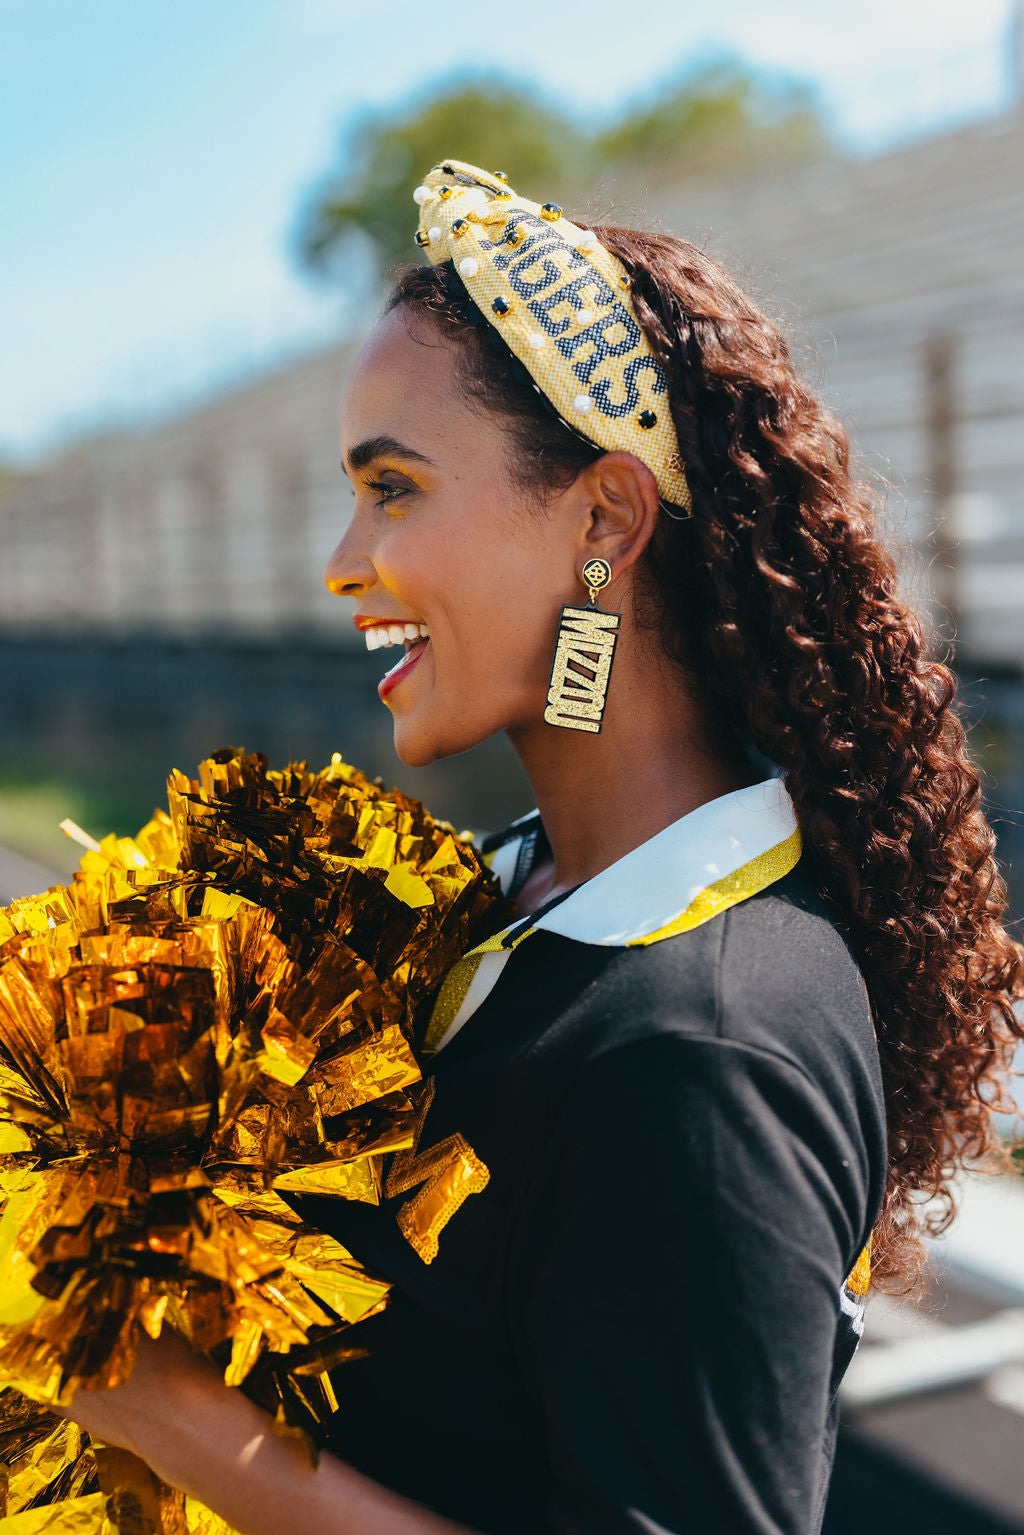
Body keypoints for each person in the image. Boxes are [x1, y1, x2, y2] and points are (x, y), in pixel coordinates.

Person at [61, 159, 1023, 1535]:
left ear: (604, 522)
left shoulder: (702, 1047)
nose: (343, 561)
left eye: (393, 489)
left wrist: (156, 1403)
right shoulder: (511, 891)